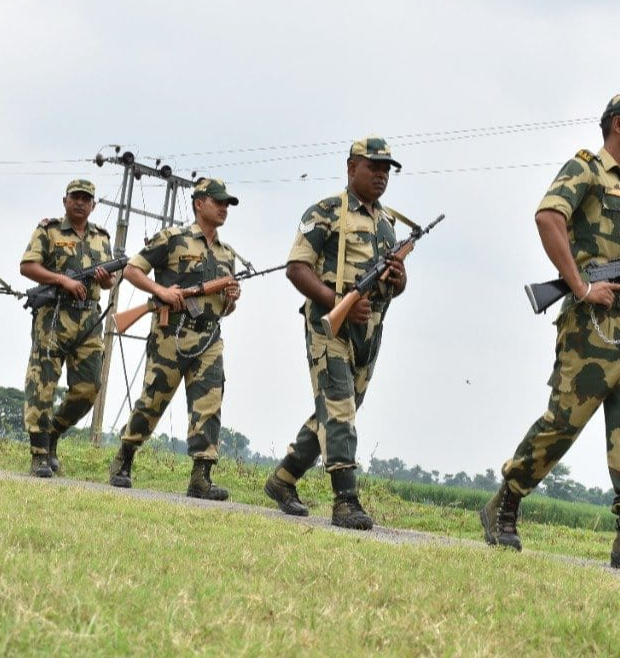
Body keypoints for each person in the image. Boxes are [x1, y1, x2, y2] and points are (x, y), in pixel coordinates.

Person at [480, 92, 620, 575]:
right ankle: (506, 501)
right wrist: (581, 287)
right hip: (593, 324)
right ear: (618, 124)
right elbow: (548, 217)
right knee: (564, 421)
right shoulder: (584, 169)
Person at [264, 135, 408, 530]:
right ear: (351, 168)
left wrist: (398, 276)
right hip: (330, 326)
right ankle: (345, 500)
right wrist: (335, 300)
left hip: (370, 331)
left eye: (386, 170)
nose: (381, 176)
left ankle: (283, 480)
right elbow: (296, 267)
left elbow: (398, 285)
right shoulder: (326, 212)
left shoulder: (387, 223)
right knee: (340, 410)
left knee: (337, 410)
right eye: (372, 167)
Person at [108, 178, 241, 500]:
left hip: (209, 336)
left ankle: (201, 477)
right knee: (153, 399)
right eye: (218, 201)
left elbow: (225, 307)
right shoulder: (172, 238)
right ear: (200, 203)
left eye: (227, 204)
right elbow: (132, 270)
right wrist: (161, 291)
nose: (224, 208)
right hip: (171, 333)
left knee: (208, 404)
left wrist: (232, 298)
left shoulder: (227, 254)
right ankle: (124, 459)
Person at [20, 179, 115, 477]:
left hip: (88, 320)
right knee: (42, 383)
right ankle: (39, 454)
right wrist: (63, 280)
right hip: (53, 317)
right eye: (75, 197)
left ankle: (54, 434)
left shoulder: (102, 237)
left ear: (93, 205)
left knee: (89, 387)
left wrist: (104, 278)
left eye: (86, 199)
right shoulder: (48, 230)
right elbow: (27, 266)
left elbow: (111, 280)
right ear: (65, 201)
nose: (80, 203)